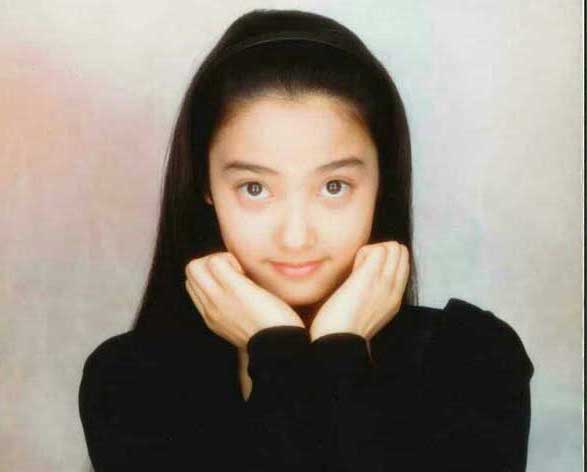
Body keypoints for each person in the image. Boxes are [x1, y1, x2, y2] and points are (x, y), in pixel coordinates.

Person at [78, 8, 534, 471]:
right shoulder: (129, 382)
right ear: (206, 187)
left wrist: (334, 351)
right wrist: (280, 351)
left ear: (382, 183)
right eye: (254, 188)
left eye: (334, 187)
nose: (296, 237)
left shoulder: (473, 359)